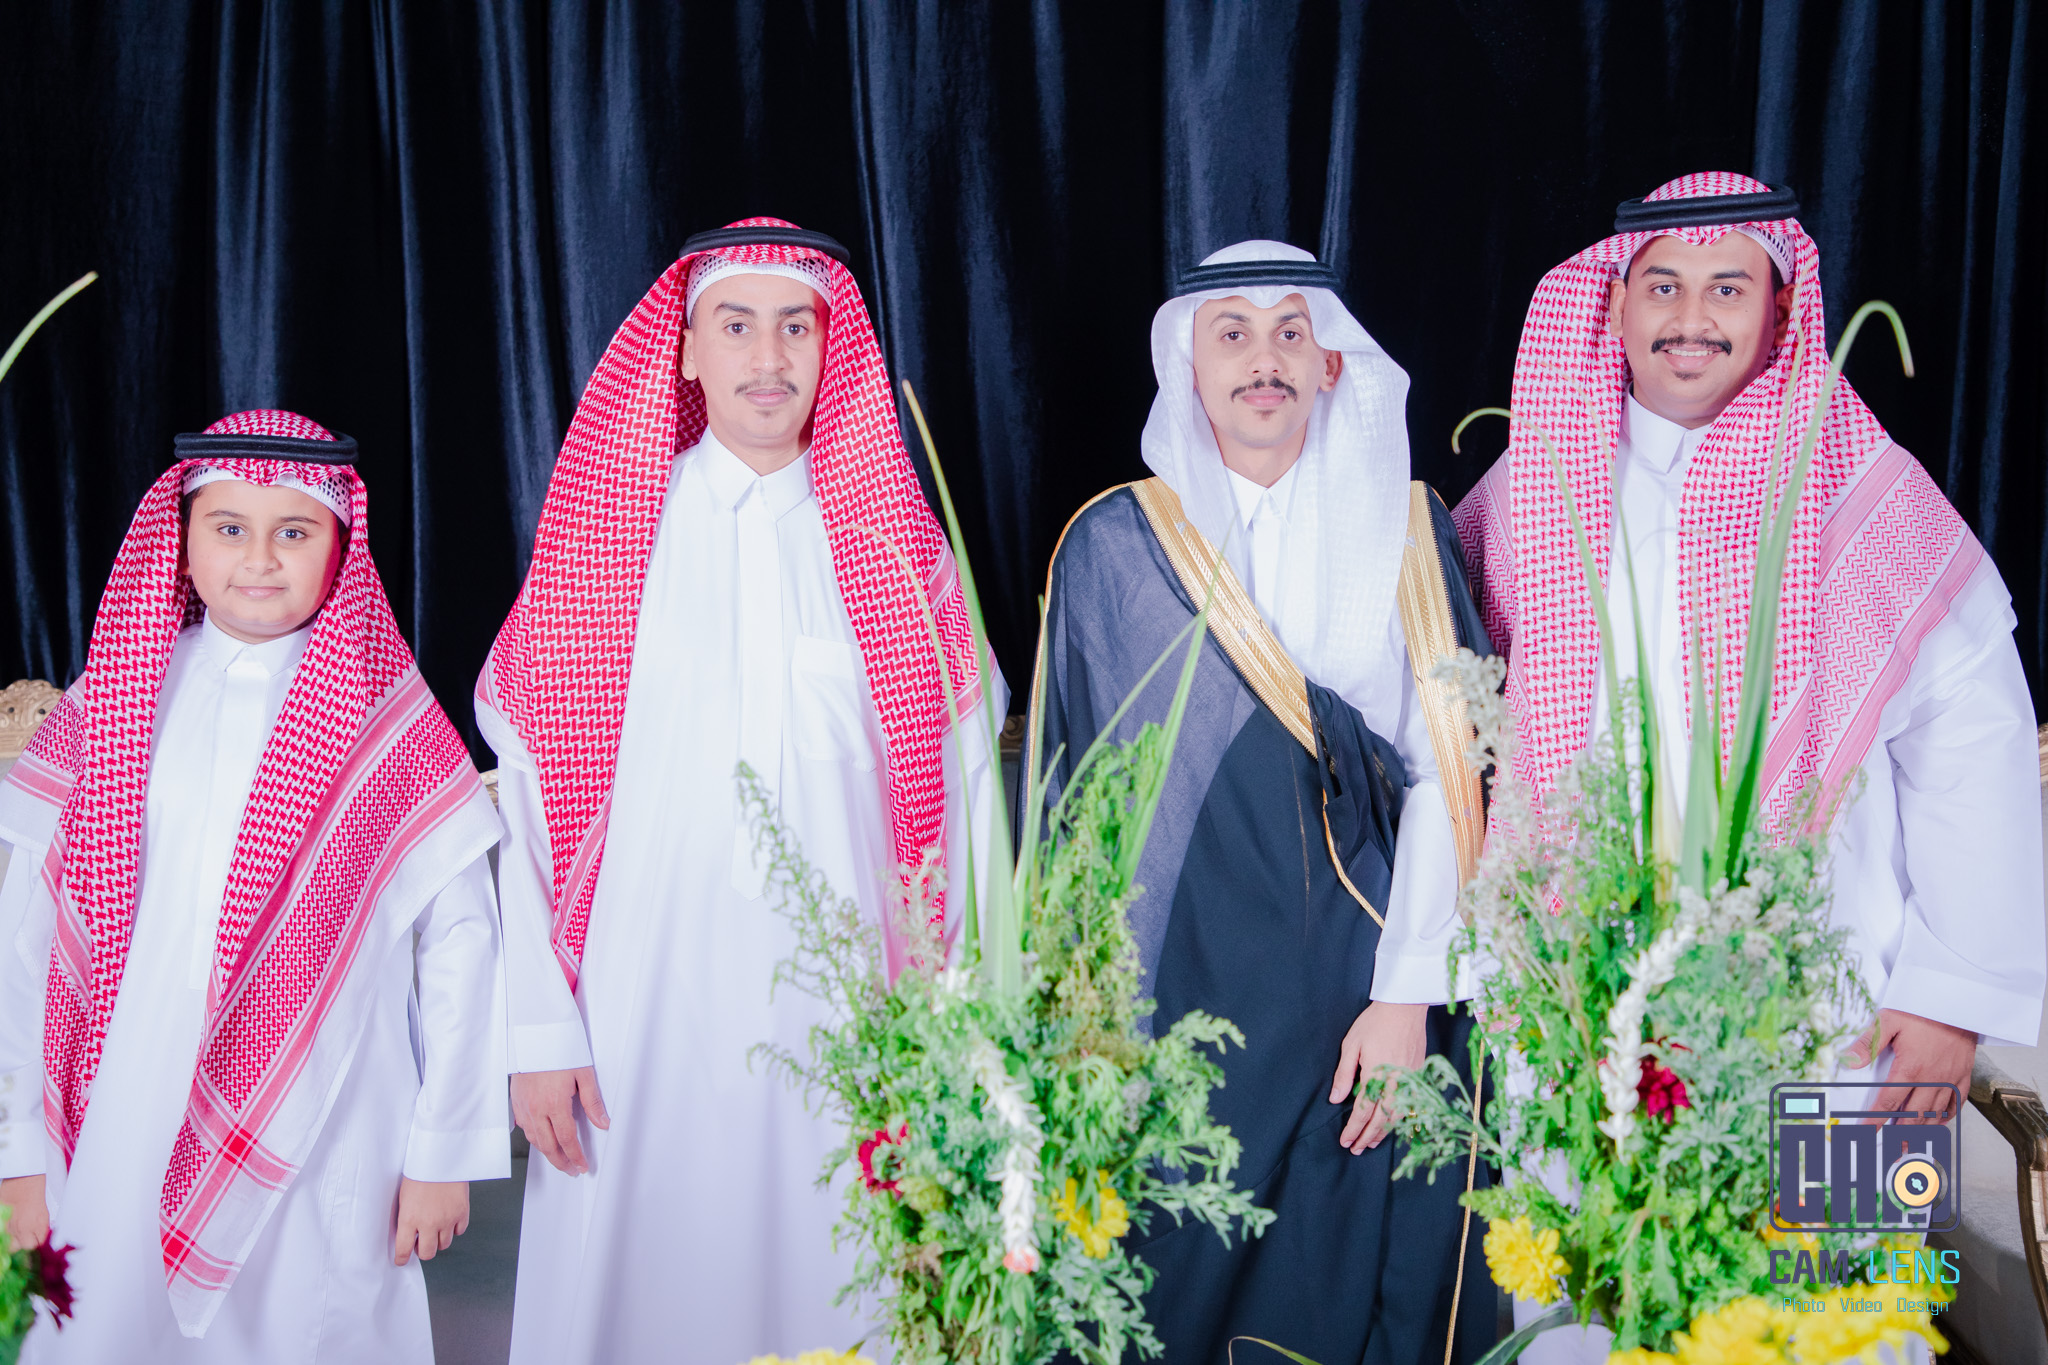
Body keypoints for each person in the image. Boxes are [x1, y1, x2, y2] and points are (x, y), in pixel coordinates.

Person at [1452, 172, 2046, 1360]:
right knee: (1587, 1307)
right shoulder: (1525, 492)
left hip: (1832, 1013)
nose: (1691, 317)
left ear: (1781, 309)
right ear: (1612, 307)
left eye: (1727, 287)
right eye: (1660, 286)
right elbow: (1450, 734)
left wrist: (1951, 999)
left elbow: (1973, 743)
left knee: (1845, 1314)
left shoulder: (1867, 494)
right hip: (1580, 1005)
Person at [480, 218, 1004, 1363]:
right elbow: (523, 810)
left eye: (794, 327)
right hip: (629, 1015)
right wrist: (535, 1029)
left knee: (846, 1278)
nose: (767, 357)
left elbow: (968, 809)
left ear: (830, 347)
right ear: (684, 351)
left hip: (853, 1021)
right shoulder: (602, 542)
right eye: (734, 325)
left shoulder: (897, 553)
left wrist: (954, 1036)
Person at [1026, 240, 1497, 1363]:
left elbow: (1448, 773)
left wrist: (1408, 997)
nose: (1264, 359)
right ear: (1187, 366)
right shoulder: (1113, 546)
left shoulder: (1406, 531)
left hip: (1362, 997)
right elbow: (1077, 816)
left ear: (1333, 364)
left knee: (1345, 1286)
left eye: (1293, 331)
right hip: (1176, 1006)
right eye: (1230, 334)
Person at [0, 409, 506, 1361]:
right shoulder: (114, 699)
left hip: (329, 1110)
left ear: (338, 546)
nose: (260, 558)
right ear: (184, 538)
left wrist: (445, 1150)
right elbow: (24, 943)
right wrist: (16, 1150)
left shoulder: (388, 723)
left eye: (295, 531)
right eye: (229, 527)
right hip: (129, 1093)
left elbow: (463, 945)